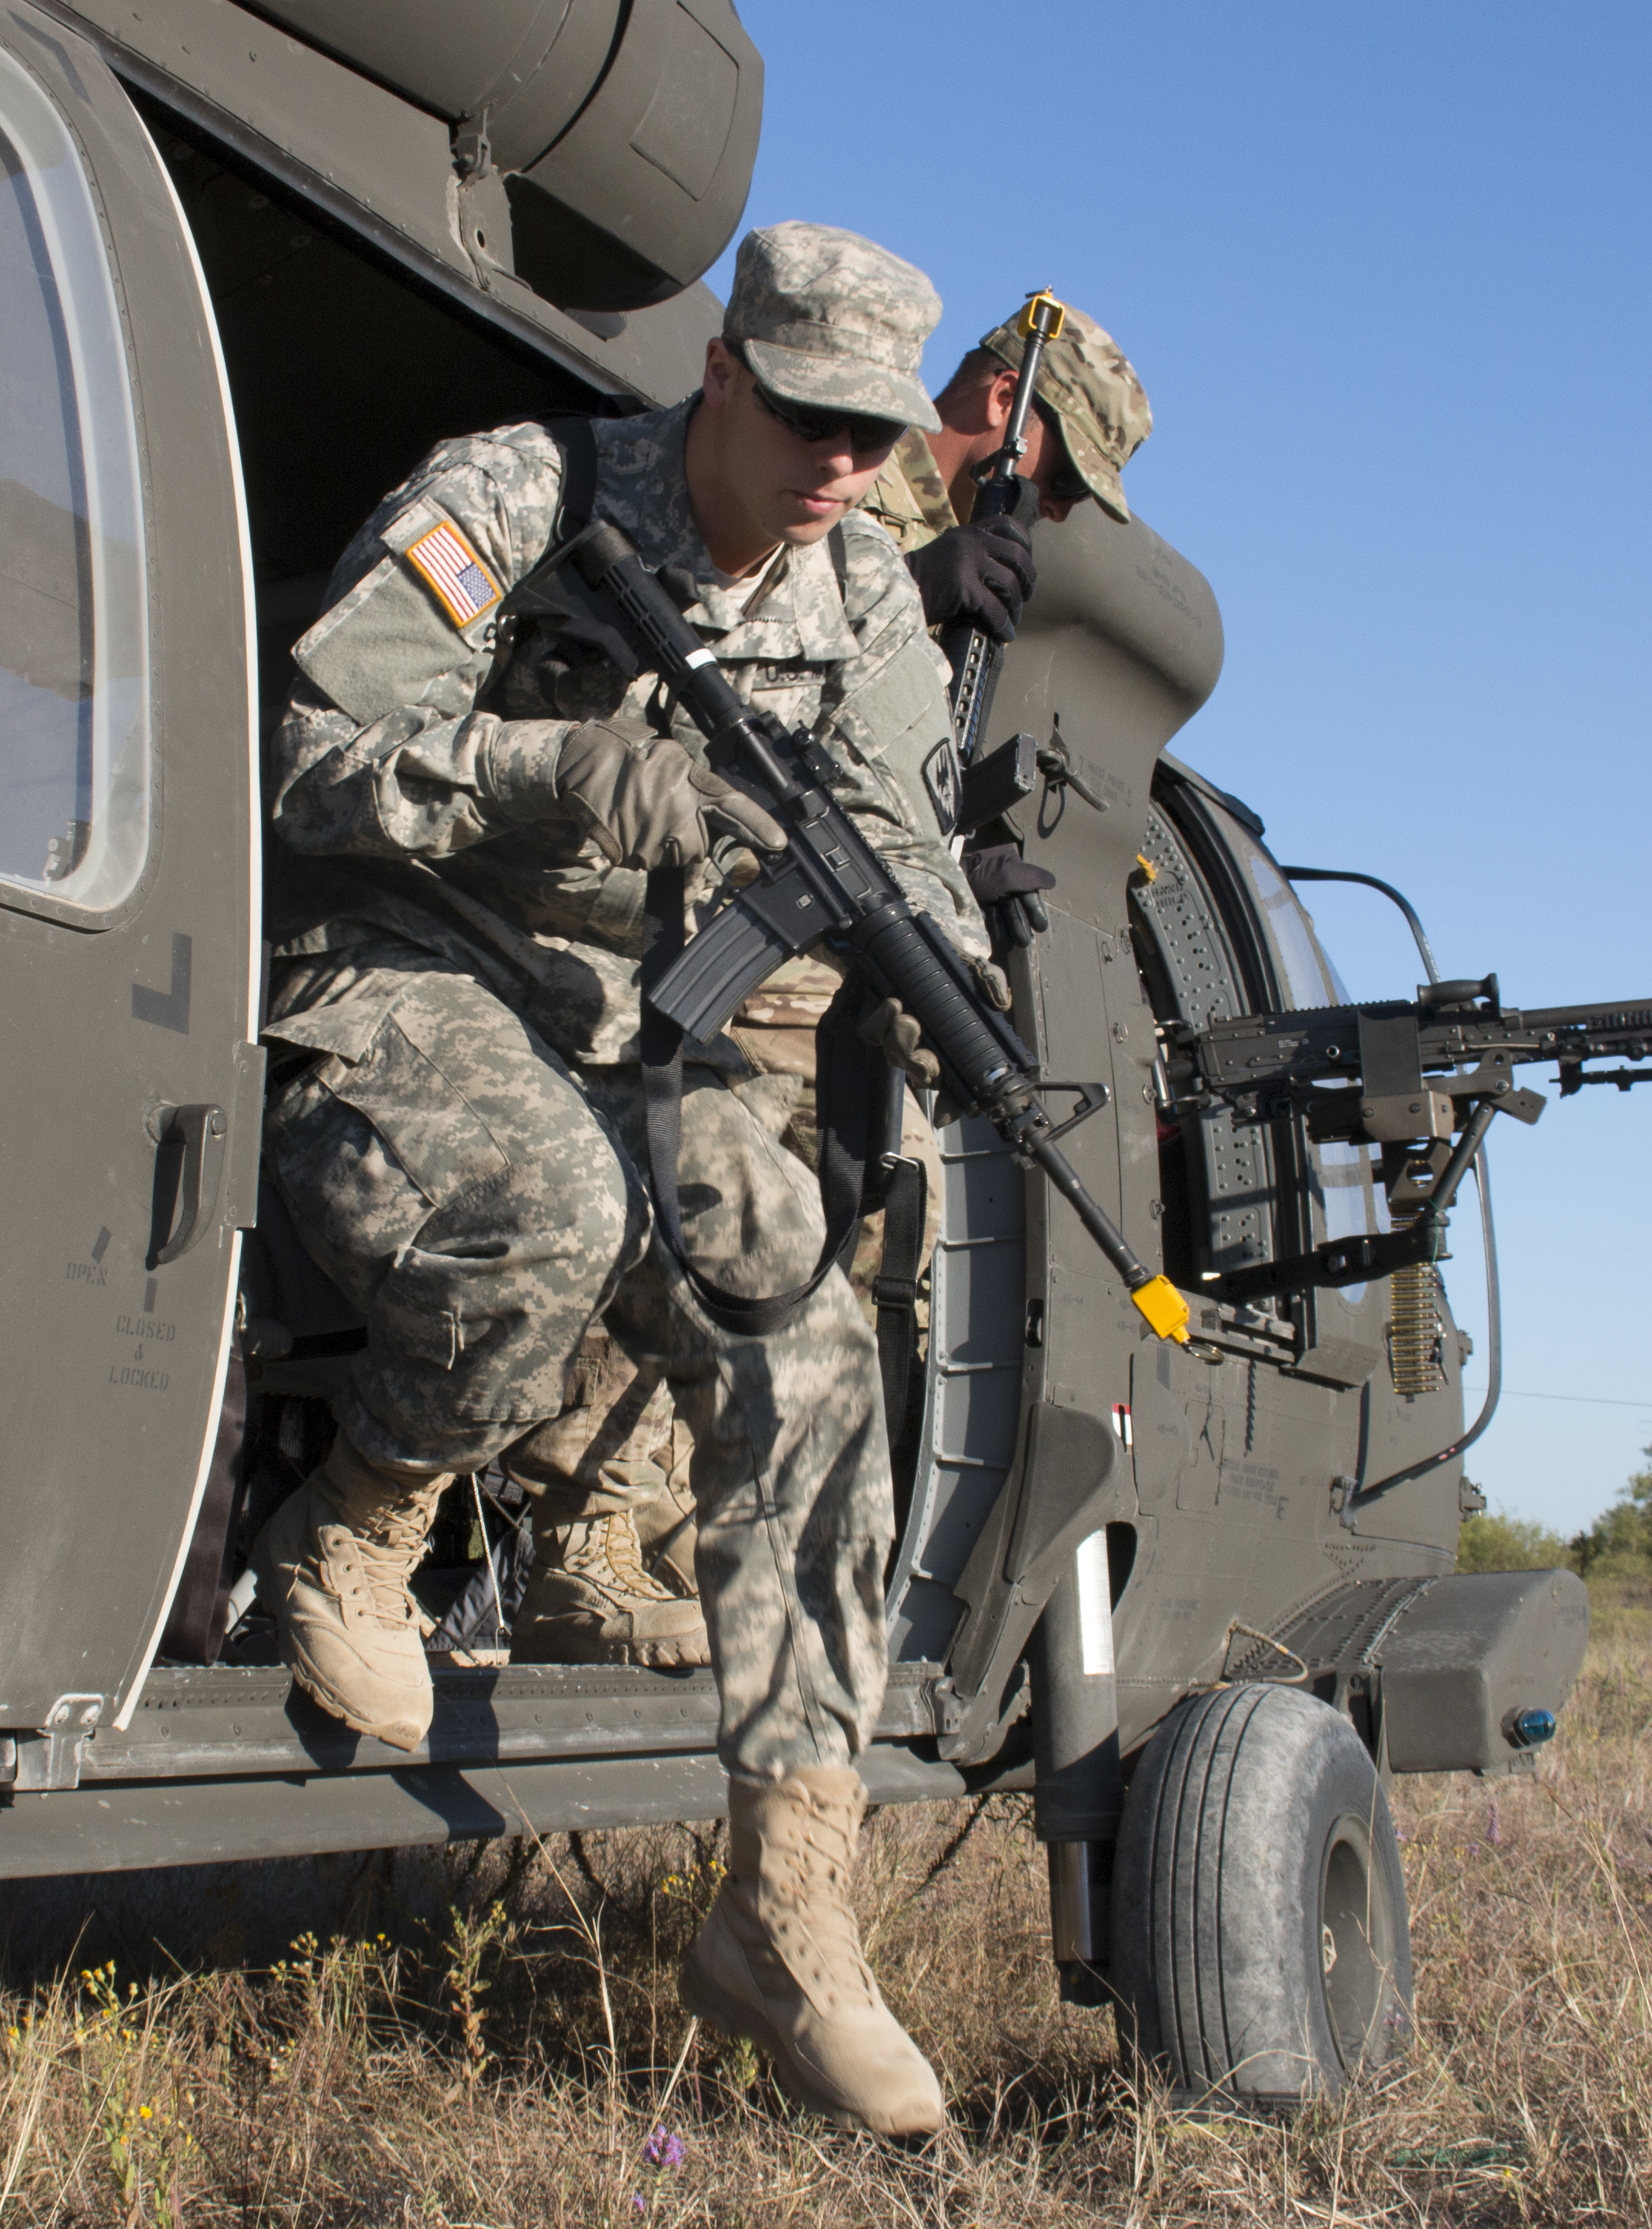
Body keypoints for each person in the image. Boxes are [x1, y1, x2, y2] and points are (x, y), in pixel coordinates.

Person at [256, 222, 989, 2131]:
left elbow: (902, 832)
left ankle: (785, 1913)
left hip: (618, 1009)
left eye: (876, 433)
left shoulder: (866, 596)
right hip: (390, 941)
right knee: (555, 1214)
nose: (842, 468)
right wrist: (555, 775)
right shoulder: (523, 489)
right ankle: (356, 1522)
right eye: (811, 416)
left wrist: (944, 994)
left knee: (811, 1349)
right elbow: (299, 756)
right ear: (724, 379)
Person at [518, 300, 1164, 1655]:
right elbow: (691, 647)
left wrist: (942, 876)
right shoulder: (820, 483)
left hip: (833, 938)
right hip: (698, 900)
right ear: (1009, 407)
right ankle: (582, 1533)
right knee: (690, 1189)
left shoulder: (949, 543)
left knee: (858, 1222)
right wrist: (911, 588)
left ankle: (696, 1532)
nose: (1047, 505)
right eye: (1054, 469)